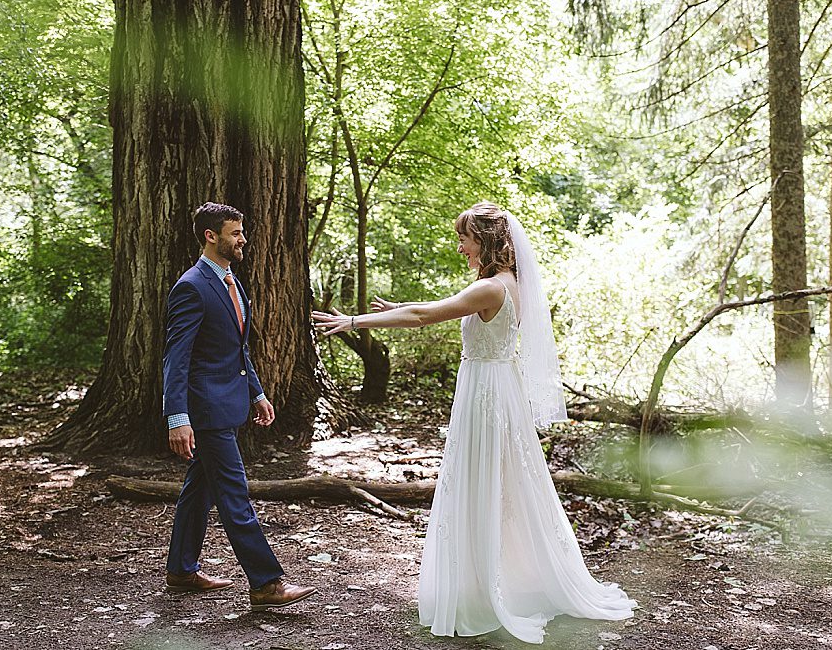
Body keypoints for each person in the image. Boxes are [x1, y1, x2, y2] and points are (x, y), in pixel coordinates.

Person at [312, 202, 635, 643]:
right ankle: (498, 578)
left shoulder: (491, 290)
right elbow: (433, 307)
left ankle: (489, 589)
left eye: (465, 237)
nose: (461, 246)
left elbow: (425, 316)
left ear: (486, 241)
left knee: (485, 483)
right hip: (496, 388)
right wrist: (401, 305)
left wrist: (353, 320)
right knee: (501, 484)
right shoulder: (507, 285)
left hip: (486, 395)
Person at [163, 202, 316, 611]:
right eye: (235, 233)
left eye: (241, 232)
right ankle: (266, 583)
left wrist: (258, 393)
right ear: (211, 236)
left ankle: (180, 571)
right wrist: (177, 417)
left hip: (229, 402)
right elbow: (176, 358)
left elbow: (236, 347)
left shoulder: (231, 280)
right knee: (235, 495)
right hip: (206, 411)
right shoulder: (192, 286)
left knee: (200, 490)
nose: (242, 239)